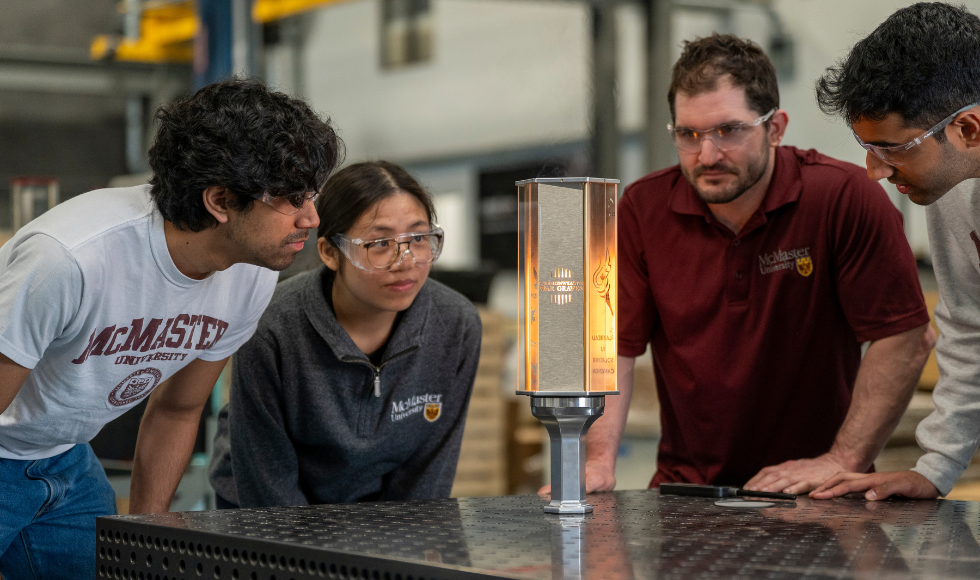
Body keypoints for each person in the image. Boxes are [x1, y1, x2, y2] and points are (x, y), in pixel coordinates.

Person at [0, 78, 340, 579]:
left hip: (65, 458)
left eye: (312, 194)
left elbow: (178, 409)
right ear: (220, 201)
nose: (311, 217)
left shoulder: (251, 274)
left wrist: (146, 542)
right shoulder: (70, 260)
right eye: (291, 198)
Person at [569, 34, 936, 496]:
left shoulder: (842, 198)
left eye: (728, 131)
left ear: (776, 128)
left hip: (817, 494)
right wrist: (599, 462)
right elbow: (613, 350)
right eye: (688, 135)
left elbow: (903, 336)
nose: (706, 156)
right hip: (688, 496)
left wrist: (841, 460)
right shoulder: (643, 210)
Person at [208, 161, 482, 508]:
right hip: (264, 512)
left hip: (377, 517)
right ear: (329, 253)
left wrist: (407, 546)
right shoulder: (270, 326)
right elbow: (267, 481)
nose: (405, 260)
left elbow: (429, 472)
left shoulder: (455, 325)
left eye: (418, 238)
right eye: (380, 243)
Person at [811, 2, 980, 502]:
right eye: (869, 147)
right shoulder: (951, 186)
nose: (874, 171)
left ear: (967, 130)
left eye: (893, 149)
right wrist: (936, 467)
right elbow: (971, 328)